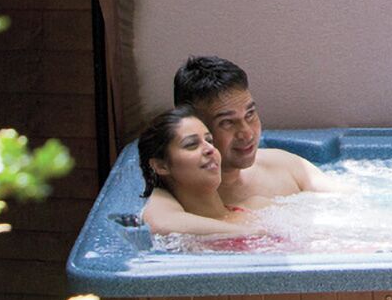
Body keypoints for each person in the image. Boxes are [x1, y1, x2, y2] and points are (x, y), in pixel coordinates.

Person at [173, 55, 338, 206]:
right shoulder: (180, 203)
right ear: (192, 126)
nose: (247, 133)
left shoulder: (287, 165)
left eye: (250, 114)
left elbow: (351, 204)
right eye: (227, 122)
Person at [135, 107, 265, 238]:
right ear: (161, 166)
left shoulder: (258, 206)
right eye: (191, 144)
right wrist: (250, 233)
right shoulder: (175, 227)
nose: (210, 149)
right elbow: (160, 223)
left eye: (209, 141)